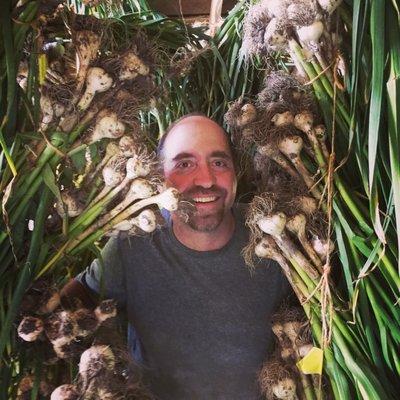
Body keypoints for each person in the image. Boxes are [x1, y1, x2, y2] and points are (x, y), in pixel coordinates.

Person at [61, 113, 291, 400]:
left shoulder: (274, 239)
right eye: (184, 164)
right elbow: (73, 304)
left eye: (219, 163)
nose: (206, 180)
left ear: (235, 173)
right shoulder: (133, 244)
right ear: (160, 177)